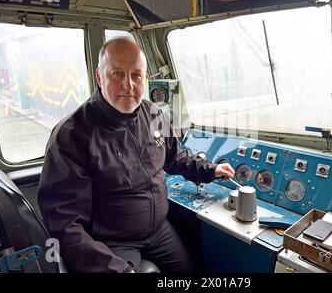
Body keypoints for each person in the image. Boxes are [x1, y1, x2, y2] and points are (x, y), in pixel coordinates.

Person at [37, 37, 235, 273]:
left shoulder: (154, 114)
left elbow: (175, 156)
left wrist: (210, 170)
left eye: (136, 75)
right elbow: (64, 223)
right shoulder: (71, 135)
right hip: (111, 243)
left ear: (146, 79)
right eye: (117, 74)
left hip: (159, 232)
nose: (128, 85)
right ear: (100, 77)